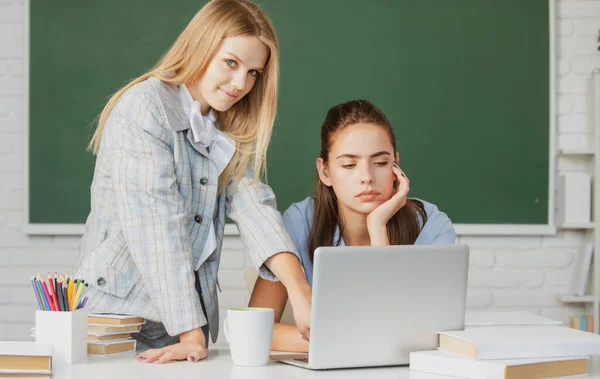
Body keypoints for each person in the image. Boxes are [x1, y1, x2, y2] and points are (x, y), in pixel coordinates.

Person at [75, 0, 312, 364]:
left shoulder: (224, 128)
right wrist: (191, 333)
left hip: (182, 326)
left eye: (253, 72)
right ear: (201, 46)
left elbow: (255, 208)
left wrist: (300, 292)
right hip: (115, 320)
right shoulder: (145, 107)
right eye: (231, 63)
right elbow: (157, 229)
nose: (240, 84)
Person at [248, 99, 456, 352]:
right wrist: (353, 341)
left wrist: (378, 227)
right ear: (325, 172)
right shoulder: (299, 222)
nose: (367, 177)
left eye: (380, 163)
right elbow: (255, 328)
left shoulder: (431, 225)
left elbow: (423, 332)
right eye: (349, 165)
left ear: (396, 165)